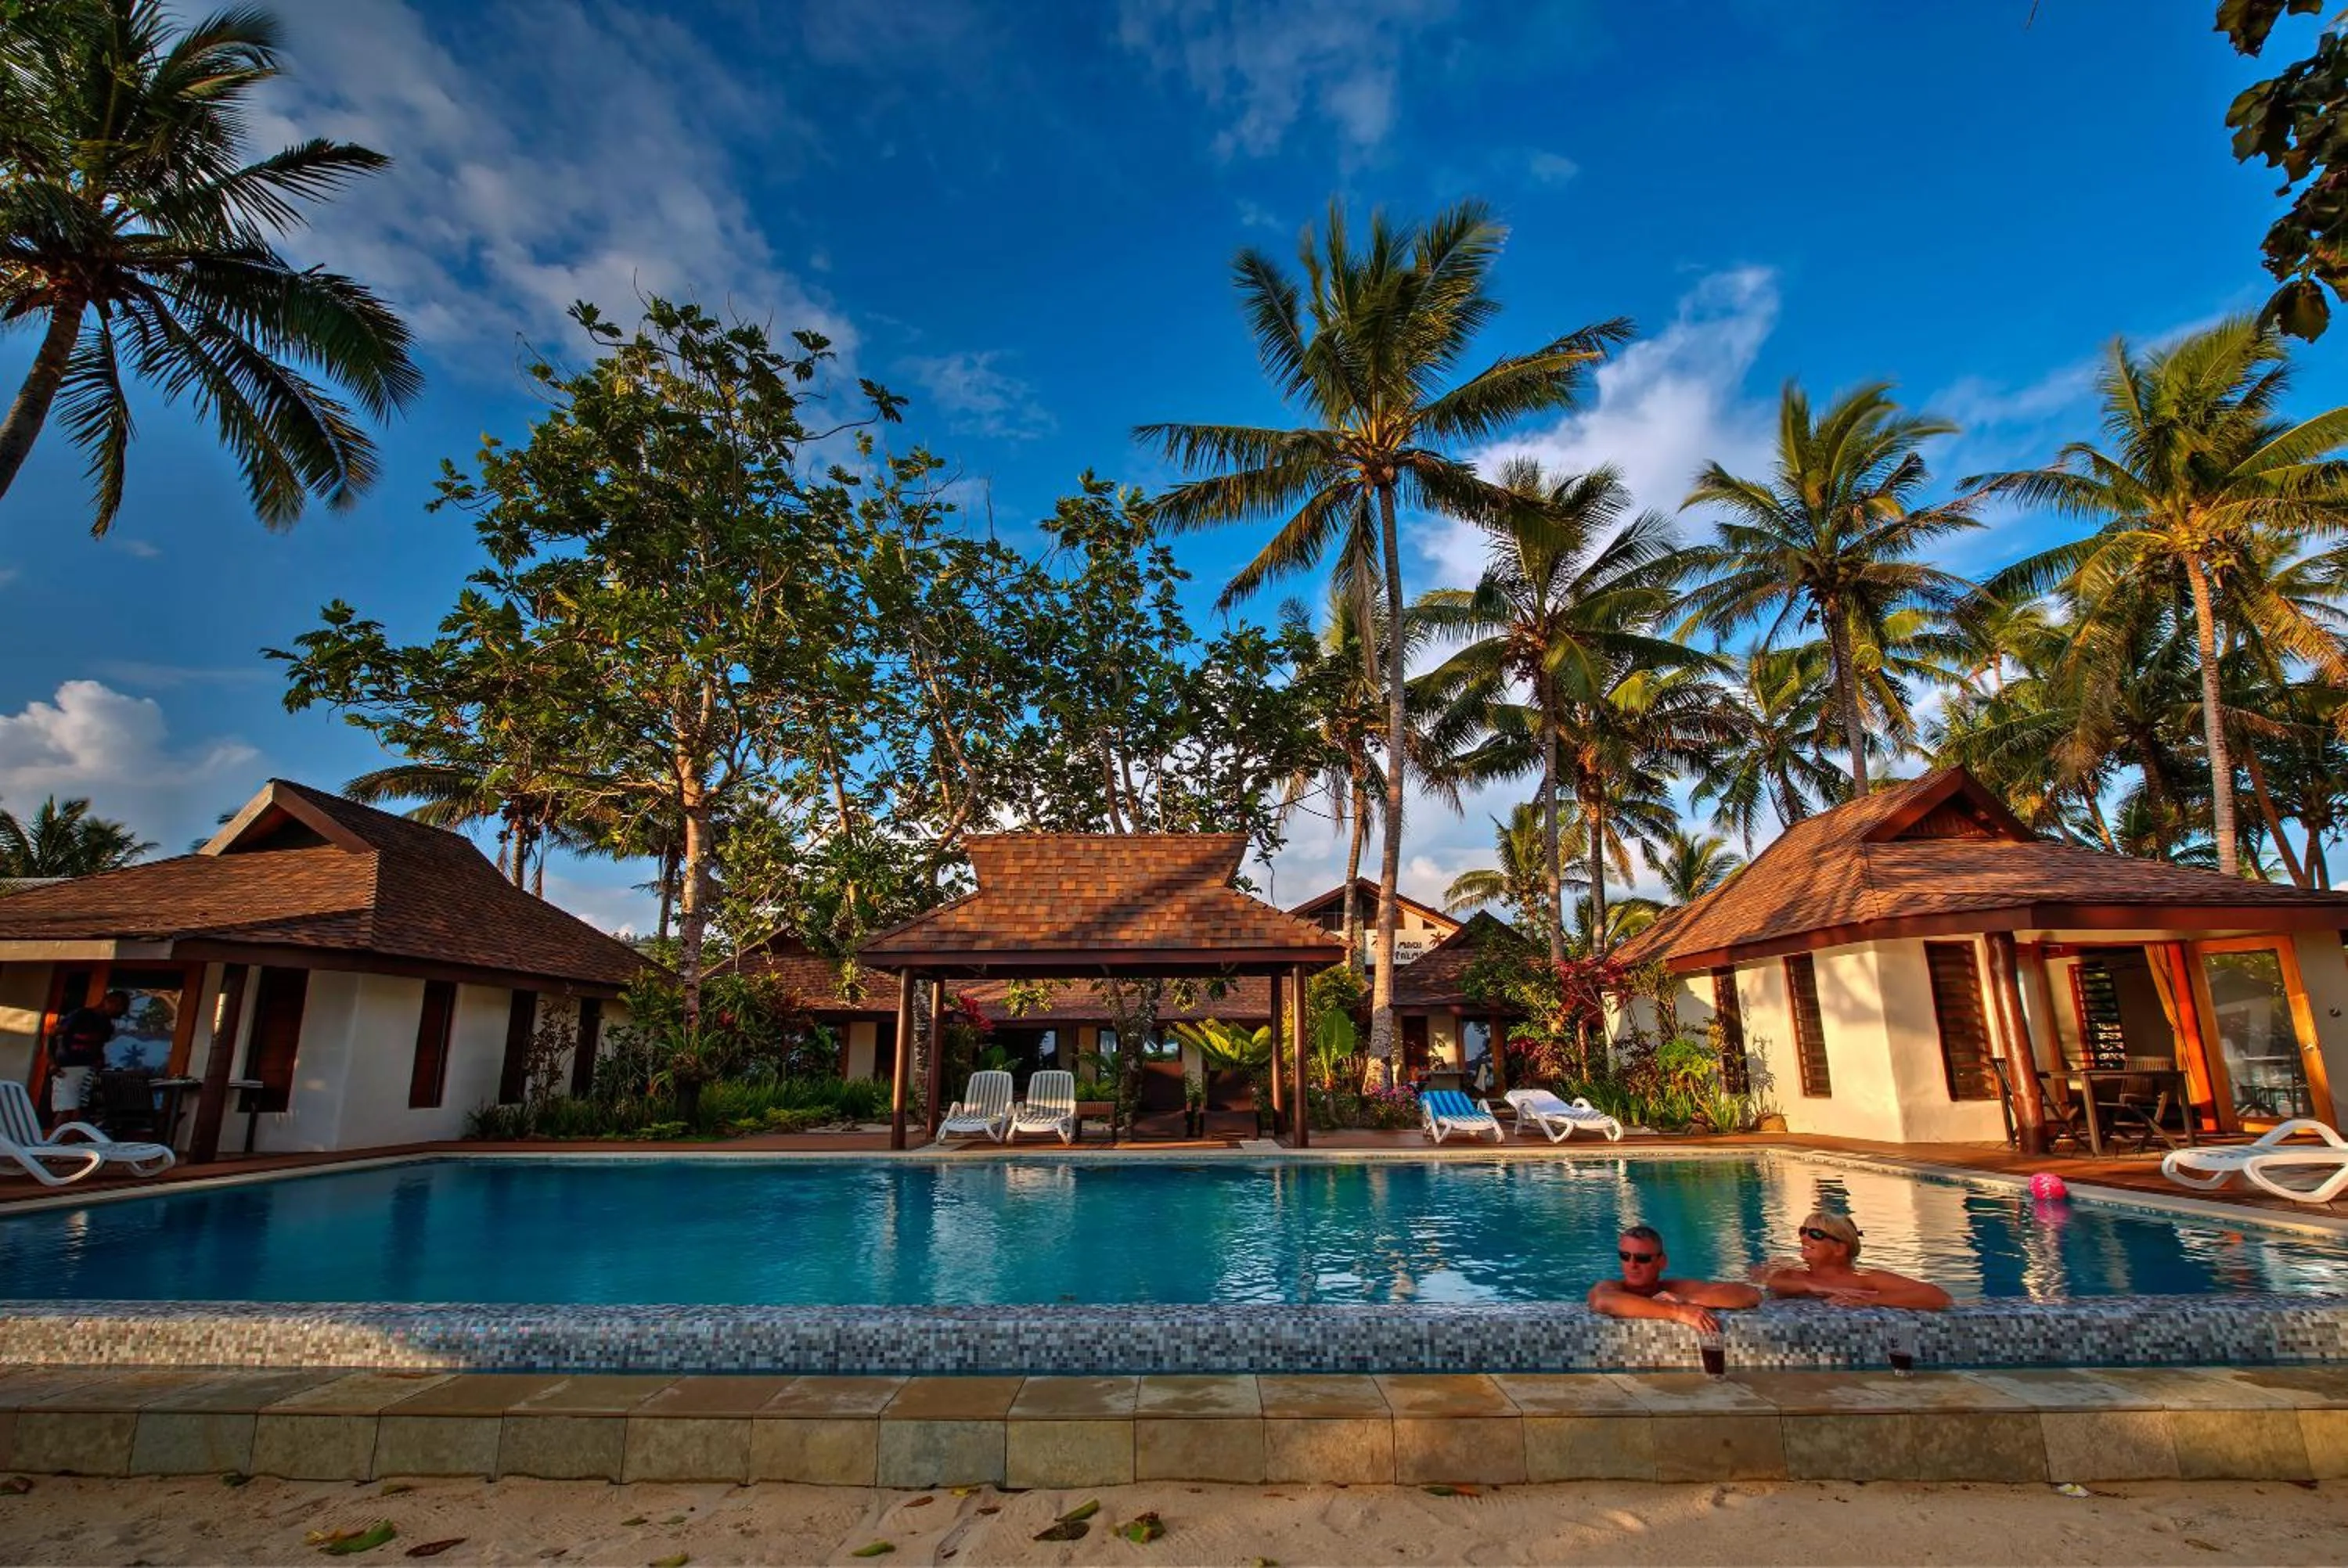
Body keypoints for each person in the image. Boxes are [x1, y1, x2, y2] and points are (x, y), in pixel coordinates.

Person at [1758, 1209, 1951, 1310]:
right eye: (1803, 1231)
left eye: (1815, 1234)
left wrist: (1873, 1299)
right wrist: (1814, 1287)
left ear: (1840, 1248)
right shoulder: (1792, 1274)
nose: (1804, 1237)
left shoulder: (1865, 1279)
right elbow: (1773, 1284)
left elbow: (1938, 1297)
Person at [1587, 1224, 1763, 1333]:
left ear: (1662, 1262)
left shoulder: (1675, 1289)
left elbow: (1750, 1294)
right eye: (1625, 1256)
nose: (1632, 1264)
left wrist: (1687, 1300)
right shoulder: (1611, 1288)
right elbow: (1603, 1301)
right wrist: (1678, 1311)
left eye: (1642, 1258)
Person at [47, 990, 128, 1129]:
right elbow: (52, 1035)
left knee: (83, 1110)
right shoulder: (81, 1015)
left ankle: (76, 1144)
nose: (120, 1011)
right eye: (119, 1006)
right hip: (68, 1068)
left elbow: (98, 1046)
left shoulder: (107, 1025)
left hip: (89, 1069)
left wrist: (99, 1061)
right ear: (108, 1001)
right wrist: (52, 1063)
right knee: (65, 1109)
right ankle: (53, 1145)